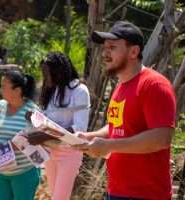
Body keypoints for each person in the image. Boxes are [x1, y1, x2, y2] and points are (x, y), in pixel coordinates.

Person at [74, 21, 176, 200]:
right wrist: (91, 136)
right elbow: (117, 126)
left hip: (146, 195)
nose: (105, 53)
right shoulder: (121, 87)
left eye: (112, 47)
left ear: (134, 52)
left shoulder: (154, 85)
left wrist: (109, 145)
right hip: (116, 191)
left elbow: (161, 138)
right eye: (104, 48)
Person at [0, 70, 40, 200]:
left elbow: (34, 139)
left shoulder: (32, 111)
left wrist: (4, 150)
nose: (0, 89)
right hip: (1, 171)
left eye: (4, 86)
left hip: (24, 172)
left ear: (17, 90)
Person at [37, 52, 91, 200]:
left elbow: (79, 128)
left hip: (69, 153)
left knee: (59, 197)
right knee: (54, 195)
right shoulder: (50, 91)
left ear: (59, 72)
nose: (45, 77)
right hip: (49, 150)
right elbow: (42, 119)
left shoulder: (79, 91)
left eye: (47, 73)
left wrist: (46, 134)